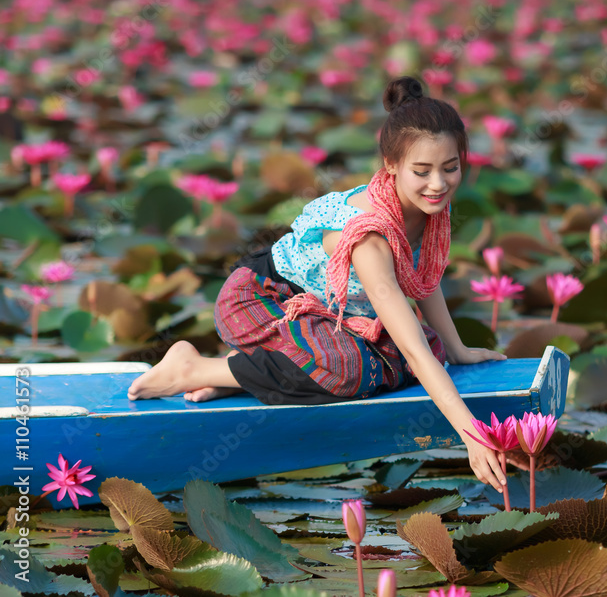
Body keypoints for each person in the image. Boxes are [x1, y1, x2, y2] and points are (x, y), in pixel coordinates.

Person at [127, 76, 510, 492]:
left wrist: (457, 350)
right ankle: (194, 367)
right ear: (391, 166)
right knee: (351, 369)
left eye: (450, 168)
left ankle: (237, 378)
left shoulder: (426, 205)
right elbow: (415, 353)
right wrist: (471, 435)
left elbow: (420, 278)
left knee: (422, 351)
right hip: (262, 300)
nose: (438, 184)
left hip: (332, 316)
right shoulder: (369, 237)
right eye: (422, 171)